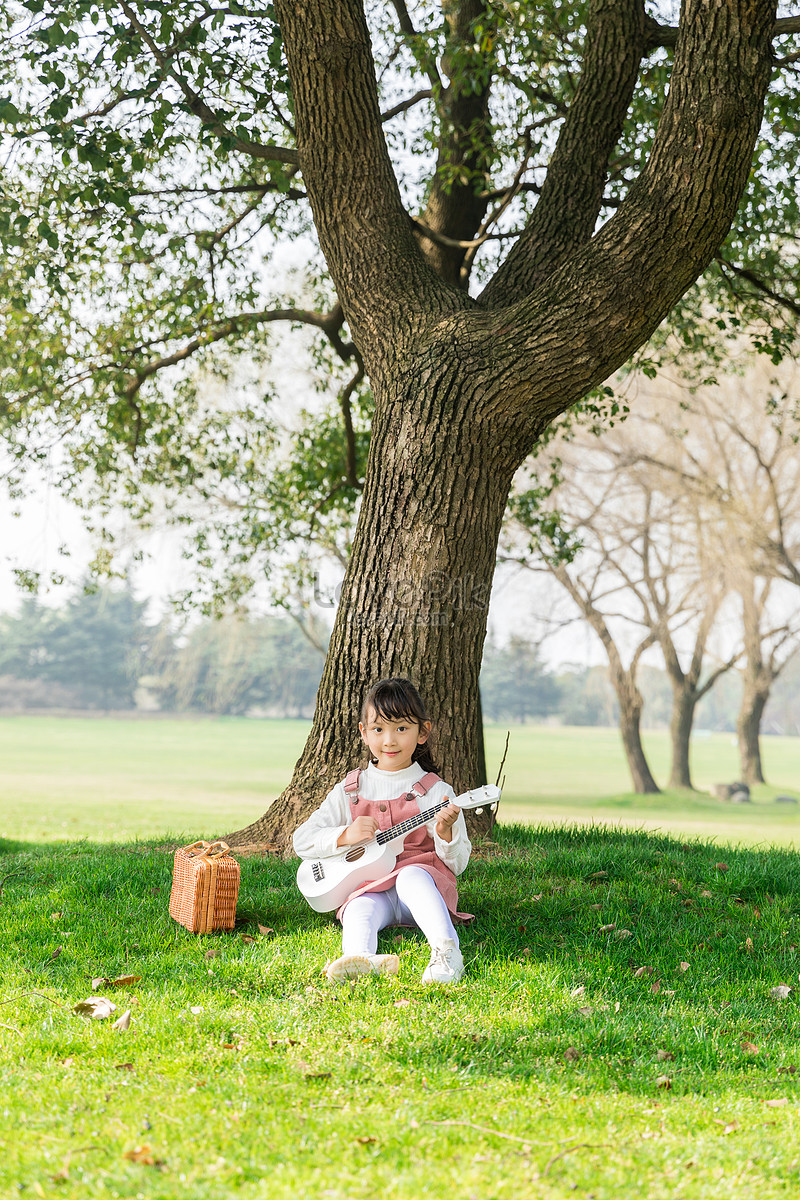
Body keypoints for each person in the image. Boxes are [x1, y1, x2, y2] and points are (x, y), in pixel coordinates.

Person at [293, 677, 472, 984]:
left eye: (401, 728)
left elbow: (458, 863)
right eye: (379, 729)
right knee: (359, 907)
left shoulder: (436, 791)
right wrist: (344, 836)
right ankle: (359, 959)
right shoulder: (351, 789)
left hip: (421, 892)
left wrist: (445, 831)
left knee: (410, 875)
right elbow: (302, 841)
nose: (389, 740)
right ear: (364, 733)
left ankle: (447, 952)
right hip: (373, 889)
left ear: (422, 732)